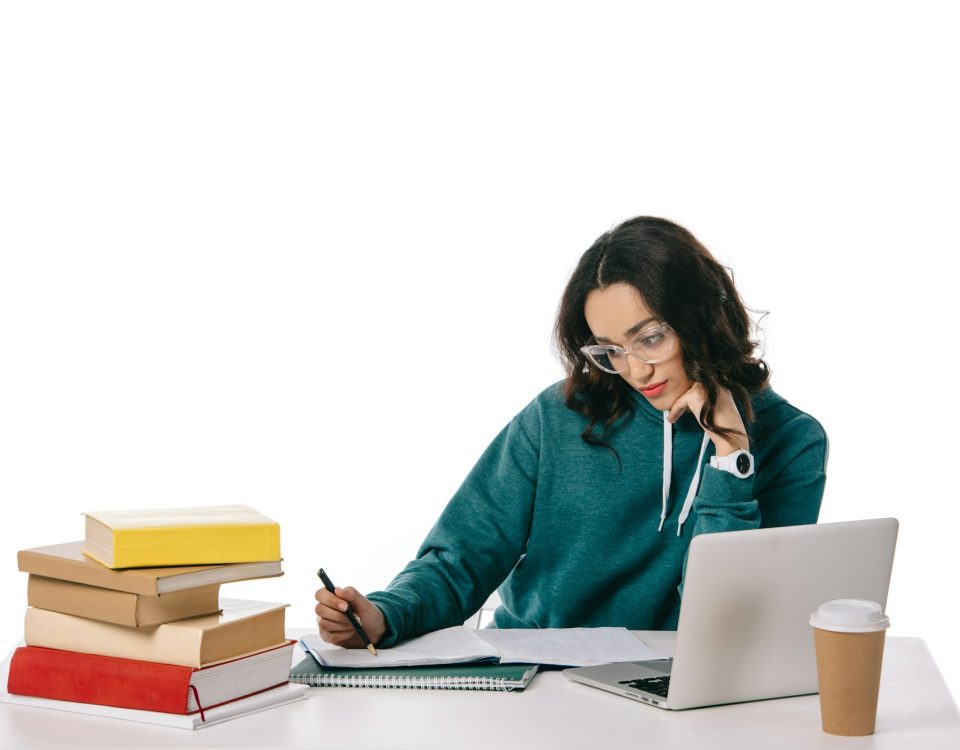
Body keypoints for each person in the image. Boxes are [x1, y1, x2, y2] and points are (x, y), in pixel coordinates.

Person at [315, 216, 828, 649]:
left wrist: (730, 455)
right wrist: (382, 615)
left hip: (671, 688)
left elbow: (726, 629)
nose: (636, 370)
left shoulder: (793, 441)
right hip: (533, 678)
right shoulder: (558, 416)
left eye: (650, 338)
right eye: (610, 350)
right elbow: (463, 559)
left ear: (705, 313)